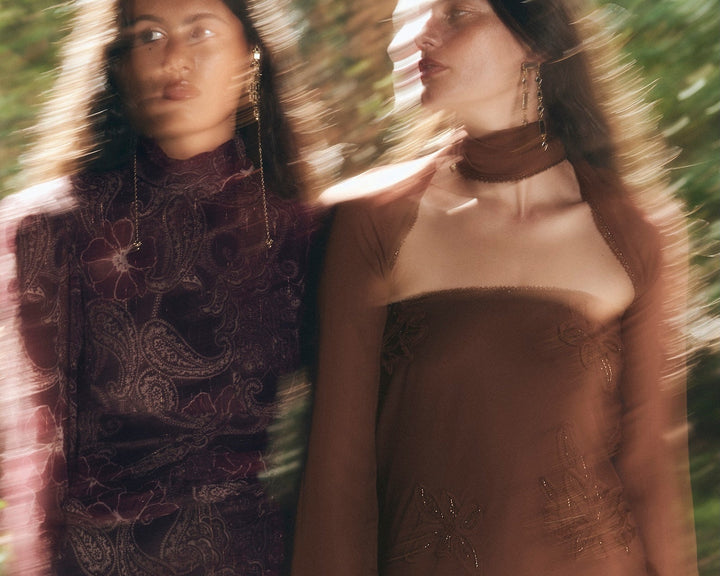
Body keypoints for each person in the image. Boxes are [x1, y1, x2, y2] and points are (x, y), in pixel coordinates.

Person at [291, 1, 698, 575]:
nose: (420, 35)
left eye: (456, 13)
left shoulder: (635, 234)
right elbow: (337, 480)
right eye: (417, 12)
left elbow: (651, 475)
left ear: (535, 41)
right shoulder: (372, 221)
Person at [0, 0, 326, 573]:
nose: (173, 58)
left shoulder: (305, 233)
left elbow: (341, 443)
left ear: (249, 55)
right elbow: (40, 472)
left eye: (199, 32)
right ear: (119, 63)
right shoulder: (50, 230)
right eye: (149, 35)